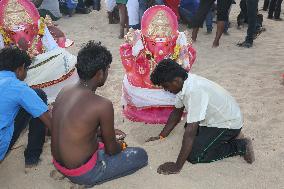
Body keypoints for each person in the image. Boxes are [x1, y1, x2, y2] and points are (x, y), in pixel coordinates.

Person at [51, 41, 148, 187]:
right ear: (100, 73)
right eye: (108, 69)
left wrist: (100, 132)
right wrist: (120, 145)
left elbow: (74, 126)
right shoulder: (102, 104)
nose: (108, 73)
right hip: (82, 172)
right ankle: (91, 180)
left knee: (100, 141)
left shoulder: (65, 90)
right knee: (140, 155)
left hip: (58, 164)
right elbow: (111, 150)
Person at [146, 59, 255, 175]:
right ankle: (227, 137)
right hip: (212, 120)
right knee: (189, 130)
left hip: (228, 123)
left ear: (176, 80)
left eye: (165, 86)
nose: (165, 89)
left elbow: (190, 133)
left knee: (195, 156)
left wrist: (177, 166)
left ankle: (241, 146)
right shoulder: (184, 84)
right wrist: (161, 136)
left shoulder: (195, 91)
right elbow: (176, 113)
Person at [0, 47, 52, 167]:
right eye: (26, 70)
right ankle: (32, 157)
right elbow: (49, 122)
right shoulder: (19, 87)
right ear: (20, 68)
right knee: (38, 95)